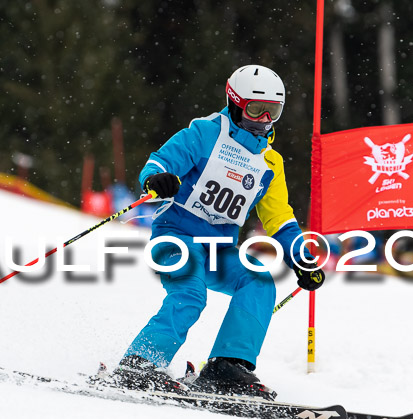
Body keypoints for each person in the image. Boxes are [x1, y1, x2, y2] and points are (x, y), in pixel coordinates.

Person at [113, 65, 325, 398]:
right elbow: (160, 162)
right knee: (191, 295)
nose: (264, 120)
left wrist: (302, 258)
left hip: (219, 250)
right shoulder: (205, 134)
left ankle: (227, 366)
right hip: (175, 237)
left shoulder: (270, 162)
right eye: (256, 110)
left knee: (258, 281)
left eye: (274, 111)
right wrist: (157, 179)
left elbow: (280, 218)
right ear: (236, 103)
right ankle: (139, 364)